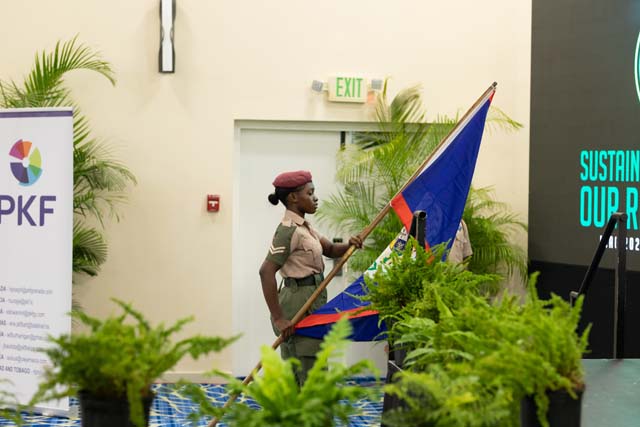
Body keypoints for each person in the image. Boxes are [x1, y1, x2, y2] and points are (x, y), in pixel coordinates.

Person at [259, 170, 363, 386]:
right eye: (310, 193)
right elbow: (266, 271)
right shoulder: (288, 231)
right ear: (293, 197)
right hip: (297, 300)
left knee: (314, 361)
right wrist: (278, 318)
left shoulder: (306, 228)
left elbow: (331, 249)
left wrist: (350, 245)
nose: (315, 198)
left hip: (312, 297)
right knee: (307, 364)